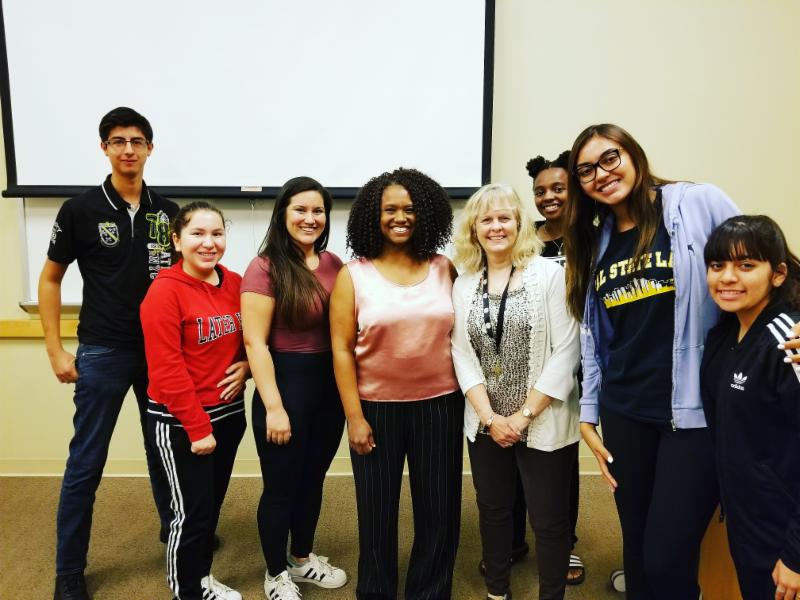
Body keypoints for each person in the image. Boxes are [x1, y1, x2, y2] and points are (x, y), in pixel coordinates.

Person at [563, 123, 741, 600]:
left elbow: (762, 262)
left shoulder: (696, 202)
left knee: (667, 557)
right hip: (625, 411)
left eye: (610, 158)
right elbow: (595, 338)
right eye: (586, 170)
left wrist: (790, 321)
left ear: (633, 155)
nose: (601, 174)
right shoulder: (595, 240)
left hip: (692, 414)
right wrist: (589, 413)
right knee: (638, 551)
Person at [39, 107, 177, 600]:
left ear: (150, 149)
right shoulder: (79, 210)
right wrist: (55, 350)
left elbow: (184, 283)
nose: (128, 149)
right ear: (104, 148)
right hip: (102, 350)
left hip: (159, 352)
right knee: (87, 462)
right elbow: (50, 279)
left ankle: (175, 532)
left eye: (137, 141)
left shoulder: (168, 212)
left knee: (164, 452)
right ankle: (69, 570)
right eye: (118, 141)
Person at [330, 168, 463, 600]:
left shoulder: (444, 268)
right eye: (390, 209)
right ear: (374, 215)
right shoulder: (353, 274)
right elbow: (341, 350)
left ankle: (430, 592)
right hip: (375, 408)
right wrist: (354, 417)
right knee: (376, 512)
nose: (400, 217)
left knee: (439, 510)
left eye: (409, 209)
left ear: (426, 214)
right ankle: (376, 592)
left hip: (440, 405)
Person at [451, 183, 580, 600]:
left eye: (504, 217)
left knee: (549, 518)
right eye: (486, 219)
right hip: (486, 422)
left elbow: (567, 350)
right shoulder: (464, 283)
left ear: (519, 223)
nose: (496, 226)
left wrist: (522, 417)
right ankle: (497, 592)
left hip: (542, 418)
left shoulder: (549, 275)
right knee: (493, 511)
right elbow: (461, 354)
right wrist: (491, 418)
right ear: (474, 229)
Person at [241, 176, 347, 600]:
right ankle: (274, 574)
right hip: (285, 389)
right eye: (300, 209)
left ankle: (301, 559)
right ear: (283, 213)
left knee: (313, 479)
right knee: (281, 487)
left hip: (328, 392)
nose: (310, 218)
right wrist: (274, 407)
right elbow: (255, 343)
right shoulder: (264, 267)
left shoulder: (334, 264)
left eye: (318, 210)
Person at [141, 201, 249, 600]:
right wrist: (197, 428)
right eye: (197, 234)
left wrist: (248, 366)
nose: (209, 243)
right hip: (183, 423)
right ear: (176, 240)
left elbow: (255, 337)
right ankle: (186, 591)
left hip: (229, 415)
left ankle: (202, 578)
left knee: (210, 507)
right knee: (190, 514)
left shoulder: (235, 282)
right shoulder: (164, 291)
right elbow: (166, 369)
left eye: (217, 234)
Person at [700, 215, 800, 600]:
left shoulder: (788, 342)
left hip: (784, 529)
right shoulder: (721, 336)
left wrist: (796, 554)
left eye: (746, 265)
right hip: (747, 518)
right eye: (717, 265)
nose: (727, 277)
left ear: (777, 274)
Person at [525, 151, 585, 586]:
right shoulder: (524, 239)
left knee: (562, 458)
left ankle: (566, 543)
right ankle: (512, 540)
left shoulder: (594, 237)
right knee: (516, 456)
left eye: (558, 189)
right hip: (526, 362)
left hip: (578, 360)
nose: (548, 197)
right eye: (540, 191)